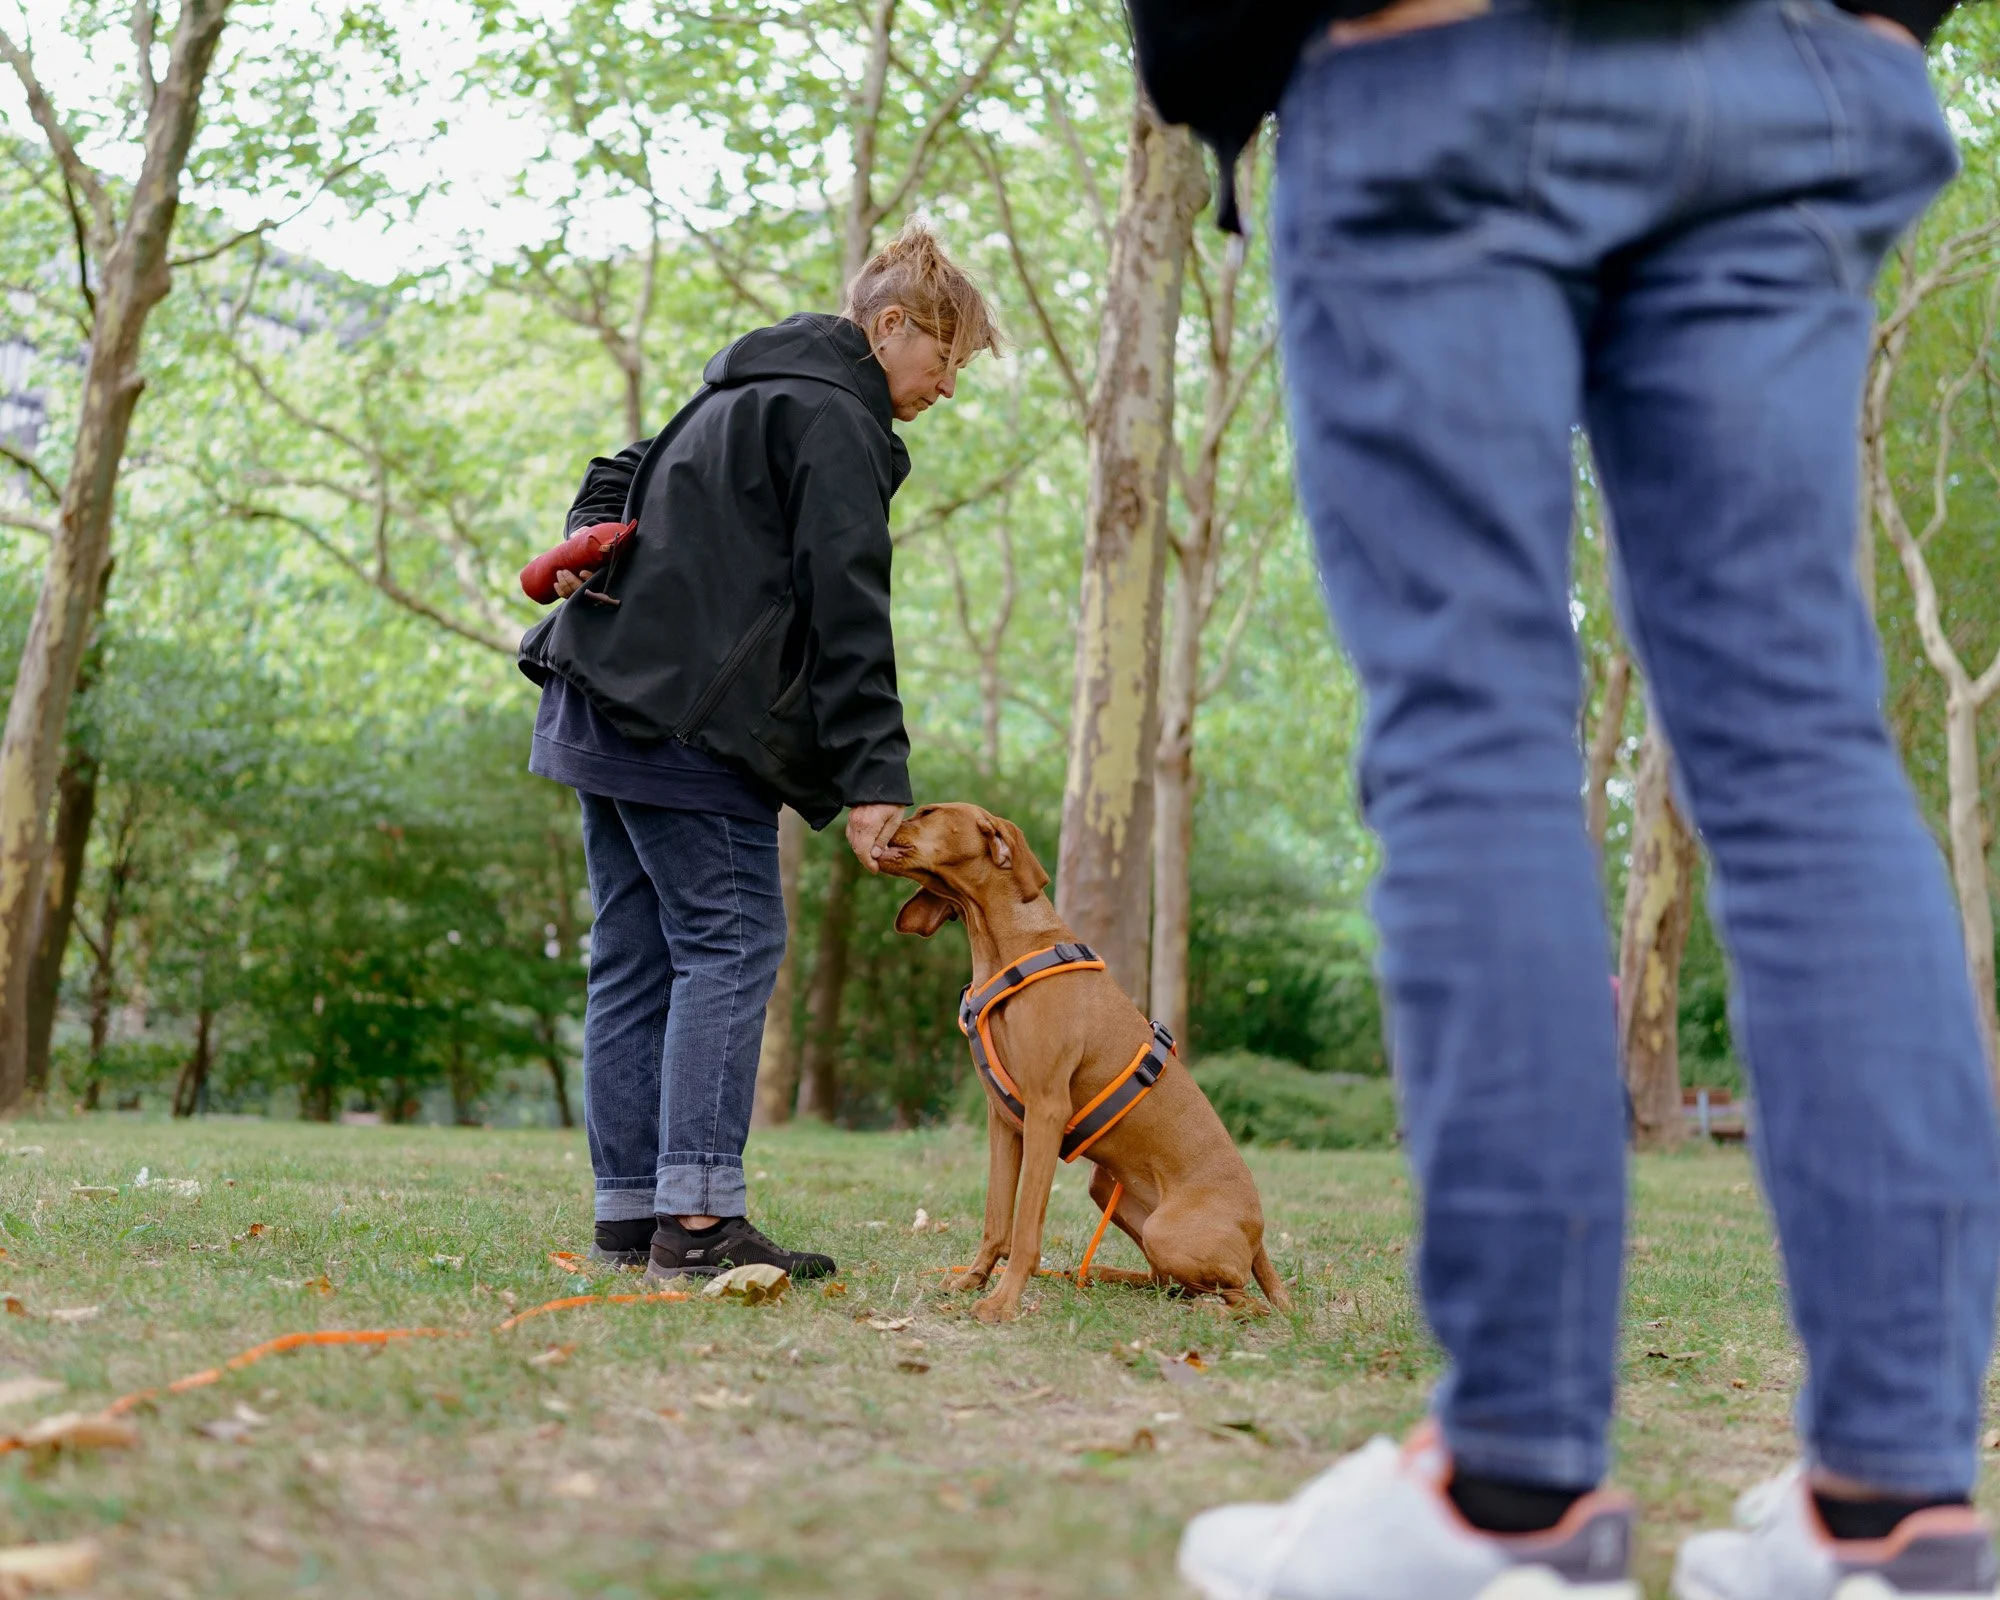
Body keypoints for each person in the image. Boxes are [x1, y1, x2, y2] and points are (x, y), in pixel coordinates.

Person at [1131, 0, 2000, 1596]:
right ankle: (1895, 1510)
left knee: (1477, 733)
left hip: (1436, 53)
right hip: (1793, 69)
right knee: (1806, 751)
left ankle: (1512, 1491)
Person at [517, 223, 1001, 1284]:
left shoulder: (742, 386)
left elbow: (616, 469)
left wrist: (586, 535)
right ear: (890, 327)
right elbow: (848, 609)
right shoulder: (833, 413)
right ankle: (694, 1226)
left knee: (639, 957)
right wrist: (877, 781)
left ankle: (631, 1217)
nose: (946, 387)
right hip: (688, 724)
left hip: (601, 697)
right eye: (945, 360)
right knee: (727, 945)